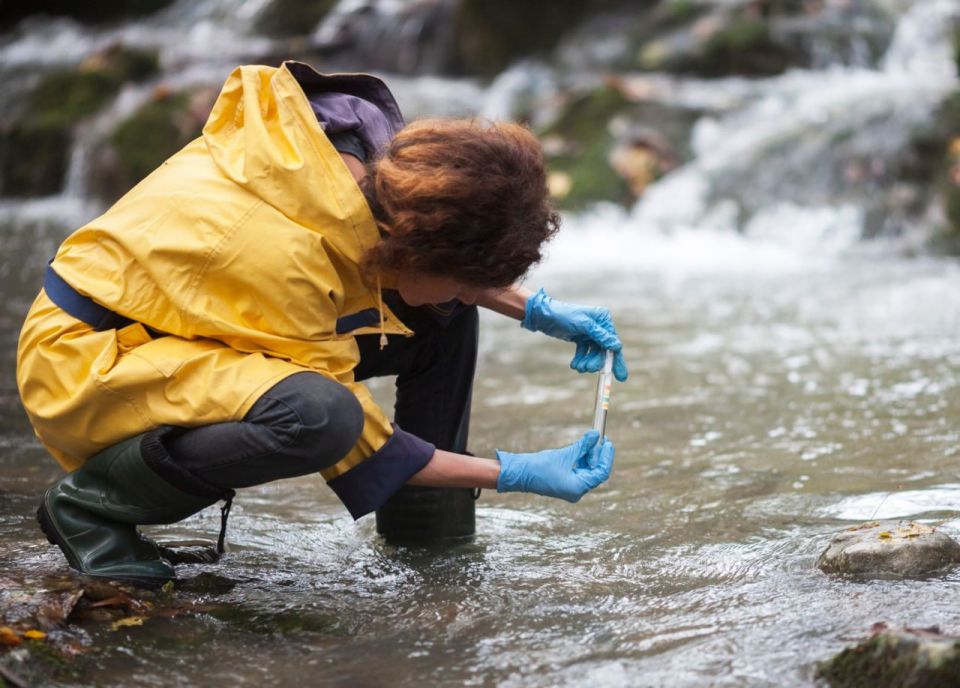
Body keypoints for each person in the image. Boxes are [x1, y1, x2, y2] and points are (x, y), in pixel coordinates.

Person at [15, 61, 629, 587]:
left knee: (445, 315)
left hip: (180, 321)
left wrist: (538, 311)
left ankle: (427, 534)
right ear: (412, 251)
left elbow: (434, 271)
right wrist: (515, 472)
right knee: (318, 416)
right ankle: (91, 509)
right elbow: (362, 442)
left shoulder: (374, 170)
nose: (472, 290)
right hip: (91, 358)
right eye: (461, 275)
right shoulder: (286, 258)